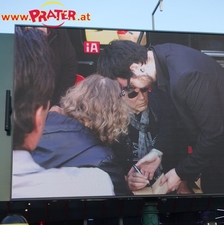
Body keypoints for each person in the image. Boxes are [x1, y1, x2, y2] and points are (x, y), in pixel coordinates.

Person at [97, 40, 224, 194]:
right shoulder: (159, 60)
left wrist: (180, 174)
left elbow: (213, 135)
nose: (132, 90)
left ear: (134, 68)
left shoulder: (186, 76)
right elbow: (173, 117)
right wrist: (157, 153)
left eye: (127, 86)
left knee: (221, 197)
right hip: (217, 138)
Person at [12, 26, 114, 199]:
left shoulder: (61, 37)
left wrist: (53, 102)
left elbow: (69, 66)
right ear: (39, 118)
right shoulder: (95, 184)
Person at [32, 74, 131, 196]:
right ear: (115, 116)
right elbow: (124, 204)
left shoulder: (37, 128)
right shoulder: (102, 160)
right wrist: (125, 183)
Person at [112, 84, 188, 193]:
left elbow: (180, 141)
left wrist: (182, 179)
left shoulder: (161, 105)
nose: (142, 98)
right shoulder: (112, 120)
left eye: (144, 90)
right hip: (134, 189)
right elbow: (108, 161)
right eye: (133, 94)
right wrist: (125, 180)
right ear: (120, 96)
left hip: (168, 181)